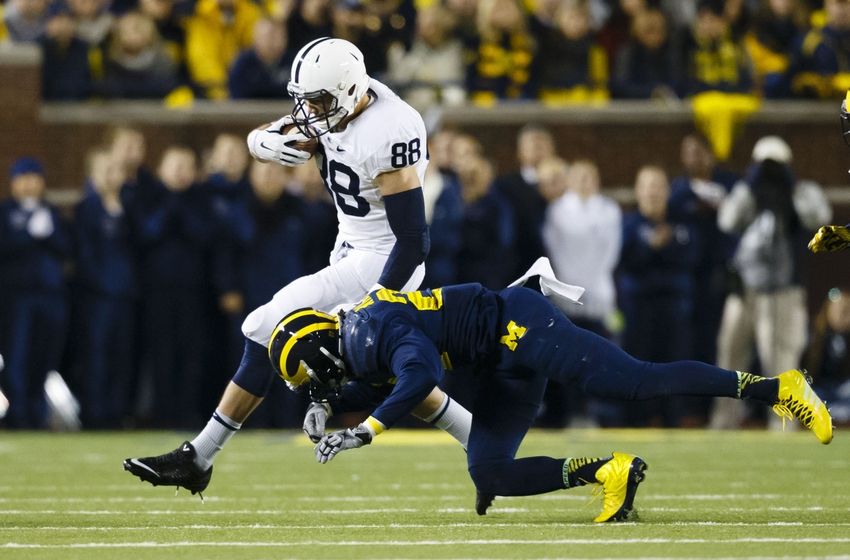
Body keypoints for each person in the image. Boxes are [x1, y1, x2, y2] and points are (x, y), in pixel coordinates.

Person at [124, 37, 473, 497]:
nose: (309, 111)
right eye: (305, 99)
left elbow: (413, 240)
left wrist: (376, 304)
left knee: (267, 324)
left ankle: (200, 455)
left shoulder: (391, 127)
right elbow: (273, 133)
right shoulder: (336, 103)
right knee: (385, 371)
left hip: (385, 260)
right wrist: (260, 142)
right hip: (349, 250)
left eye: (318, 100)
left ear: (348, 91)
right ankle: (482, 439)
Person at [264, 276, 832, 522]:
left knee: (632, 380)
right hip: (496, 361)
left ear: (319, 351)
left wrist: (363, 429)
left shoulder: (370, 332)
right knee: (488, 471)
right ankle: (609, 473)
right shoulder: (360, 337)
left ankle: (776, 388)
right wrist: (330, 403)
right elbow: (384, 378)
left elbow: (413, 379)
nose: (316, 384)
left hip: (517, 327)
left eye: (311, 378)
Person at [711, 136, 832, 430]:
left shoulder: (802, 191)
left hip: (782, 291)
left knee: (779, 359)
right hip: (744, 290)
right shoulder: (747, 192)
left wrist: (789, 190)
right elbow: (726, 221)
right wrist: (751, 187)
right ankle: (724, 421)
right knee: (729, 356)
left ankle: (783, 425)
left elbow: (819, 217)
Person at [0, 158, 71, 428]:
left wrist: (49, 235)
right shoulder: (5, 213)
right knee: (17, 356)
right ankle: (18, 413)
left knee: (45, 357)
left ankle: (37, 411)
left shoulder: (51, 212)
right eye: (23, 177)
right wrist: (27, 235)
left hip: (50, 297)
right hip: (17, 298)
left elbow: (68, 248)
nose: (30, 183)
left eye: (34, 177)